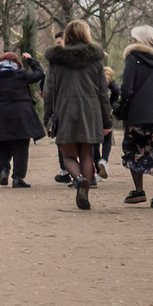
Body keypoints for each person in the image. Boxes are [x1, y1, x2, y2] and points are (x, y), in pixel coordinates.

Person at [43, 20, 110, 210]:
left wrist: (47, 117)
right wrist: (107, 119)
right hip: (90, 110)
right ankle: (85, 191)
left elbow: (49, 91)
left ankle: (79, 179)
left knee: (69, 155)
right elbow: (103, 92)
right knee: (87, 155)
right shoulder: (96, 60)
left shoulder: (56, 60)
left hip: (64, 109)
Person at [114, 25, 153, 208]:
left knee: (134, 151)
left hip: (137, 115)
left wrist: (123, 103)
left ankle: (139, 191)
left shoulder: (133, 58)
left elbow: (127, 88)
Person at [0, 51, 44, 187]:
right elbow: (39, 74)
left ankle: (3, 170)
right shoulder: (21, 74)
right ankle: (18, 177)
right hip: (20, 113)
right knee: (21, 145)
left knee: (1, 144)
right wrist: (31, 60)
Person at [97, 65, 119, 180]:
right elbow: (116, 90)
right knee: (107, 141)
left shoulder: (94, 79)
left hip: (94, 112)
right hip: (107, 113)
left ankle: (97, 169)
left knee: (94, 143)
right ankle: (104, 160)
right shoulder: (110, 82)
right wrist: (112, 102)